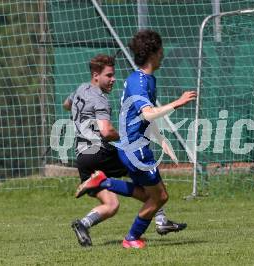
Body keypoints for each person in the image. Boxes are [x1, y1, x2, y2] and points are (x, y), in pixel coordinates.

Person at [75, 30, 197, 249]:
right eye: (161, 50)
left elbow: (143, 117)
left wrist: (161, 140)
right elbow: (148, 113)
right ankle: (131, 237)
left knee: (148, 194)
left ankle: (104, 182)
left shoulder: (142, 78)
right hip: (134, 148)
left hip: (133, 145)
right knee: (159, 197)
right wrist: (177, 103)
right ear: (153, 52)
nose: (163, 54)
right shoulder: (140, 81)